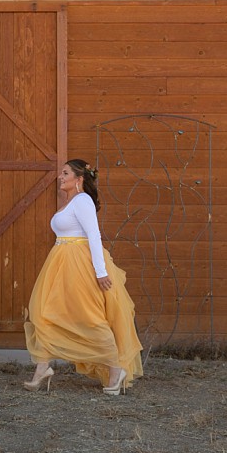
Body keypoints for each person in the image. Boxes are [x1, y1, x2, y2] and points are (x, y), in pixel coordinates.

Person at [22, 158, 142, 396]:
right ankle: (42, 368)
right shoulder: (71, 203)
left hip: (79, 265)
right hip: (60, 264)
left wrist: (100, 272)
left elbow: (94, 236)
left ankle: (115, 369)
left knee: (89, 316)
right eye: (61, 173)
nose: (60, 177)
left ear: (79, 179)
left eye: (65, 173)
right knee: (45, 312)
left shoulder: (83, 201)